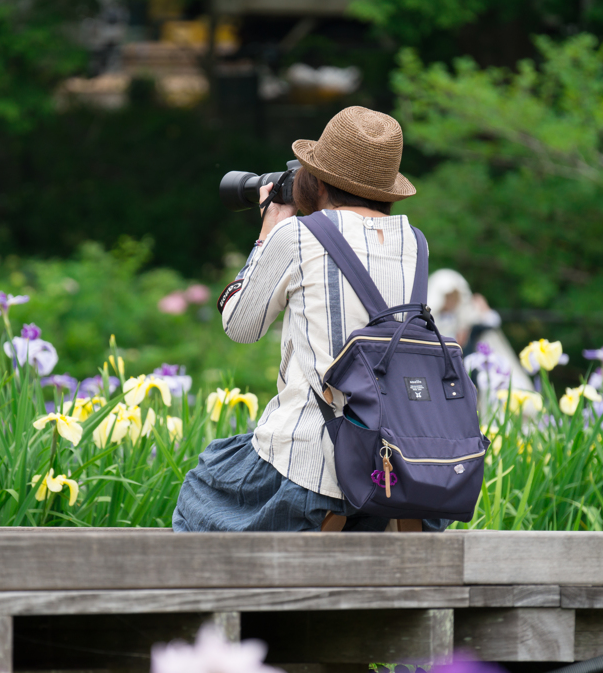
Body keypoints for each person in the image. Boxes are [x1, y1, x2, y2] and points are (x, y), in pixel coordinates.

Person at [173, 106, 449, 533]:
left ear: (318, 181)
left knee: (202, 488)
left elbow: (241, 327)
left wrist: (267, 233)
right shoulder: (415, 243)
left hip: (309, 467)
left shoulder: (299, 236)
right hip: (393, 472)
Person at [427, 269, 532, 392]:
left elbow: (492, 322)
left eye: (454, 297)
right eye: (448, 297)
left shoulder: (463, 315)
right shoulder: (430, 319)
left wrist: (482, 309)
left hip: (465, 364)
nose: (452, 301)